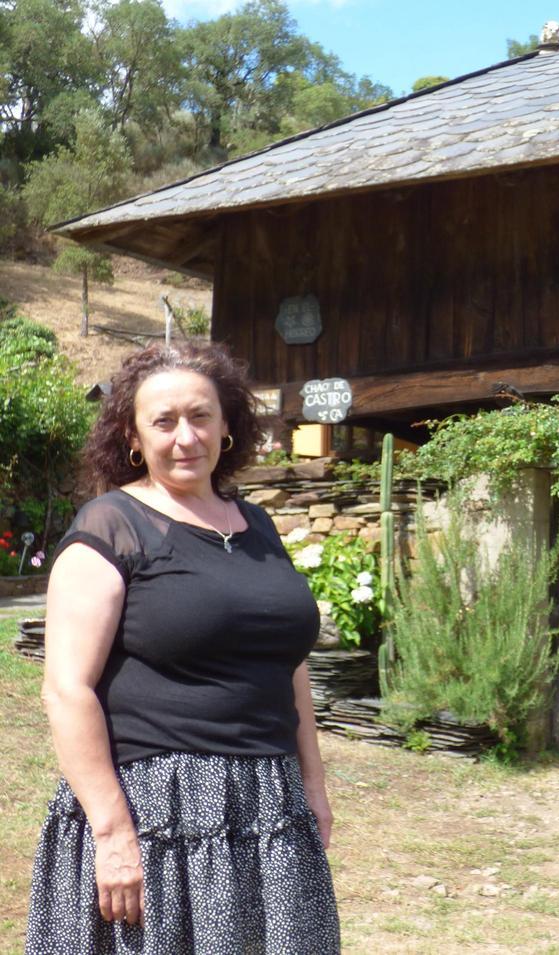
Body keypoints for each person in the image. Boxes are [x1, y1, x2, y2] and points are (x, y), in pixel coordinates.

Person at [26, 342, 340, 953]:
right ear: (134, 438)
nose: (185, 437)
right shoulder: (110, 526)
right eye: (163, 422)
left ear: (227, 427)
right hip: (157, 813)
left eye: (200, 416)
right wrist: (113, 832)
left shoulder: (258, 527)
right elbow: (67, 688)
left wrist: (313, 786)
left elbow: (289, 665)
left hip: (269, 806)